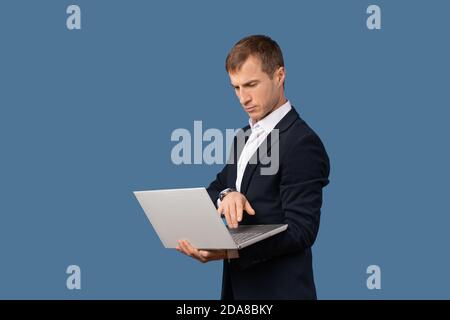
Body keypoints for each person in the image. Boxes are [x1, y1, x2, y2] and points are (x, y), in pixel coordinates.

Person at [176, 35, 330, 299]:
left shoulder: (302, 143)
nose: (243, 98)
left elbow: (301, 231)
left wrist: (231, 249)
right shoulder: (243, 136)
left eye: (251, 84)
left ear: (279, 76)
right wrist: (228, 195)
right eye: (235, 87)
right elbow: (218, 187)